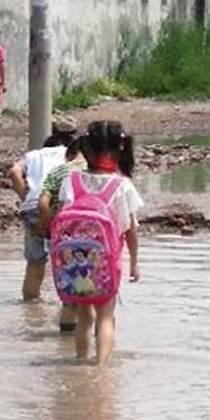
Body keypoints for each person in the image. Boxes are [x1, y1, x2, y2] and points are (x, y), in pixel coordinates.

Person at [56, 121, 142, 365]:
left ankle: (80, 362)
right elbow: (131, 230)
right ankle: (101, 370)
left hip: (74, 263)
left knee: (84, 318)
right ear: (120, 149)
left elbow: (62, 220)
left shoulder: (71, 180)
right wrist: (135, 264)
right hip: (105, 262)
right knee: (106, 317)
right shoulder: (122, 185)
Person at [9, 117, 78, 302]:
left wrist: (26, 197)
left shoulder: (33, 155)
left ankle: (31, 304)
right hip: (57, 207)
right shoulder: (70, 154)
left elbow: (14, 172)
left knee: (35, 262)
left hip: (31, 208)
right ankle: (68, 305)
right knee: (66, 258)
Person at [36, 140, 87, 332]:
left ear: (69, 154)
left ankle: (65, 343)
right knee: (97, 296)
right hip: (96, 240)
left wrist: (47, 227)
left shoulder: (60, 172)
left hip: (65, 238)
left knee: (69, 297)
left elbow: (42, 204)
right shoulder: (100, 173)